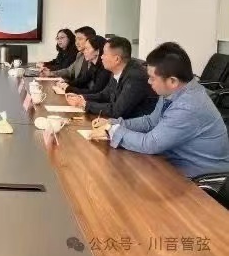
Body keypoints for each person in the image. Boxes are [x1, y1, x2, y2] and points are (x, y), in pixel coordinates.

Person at [90, 42, 229, 178]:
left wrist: (112, 130)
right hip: (172, 164)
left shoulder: (188, 106)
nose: (148, 82)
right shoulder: (172, 91)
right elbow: (151, 121)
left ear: (172, 81)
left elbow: (150, 144)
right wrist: (114, 123)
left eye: (152, 78)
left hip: (198, 179)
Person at [66, 36, 157, 118]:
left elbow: (117, 111)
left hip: (134, 125)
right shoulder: (117, 70)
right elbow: (104, 95)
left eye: (104, 54)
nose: (101, 57)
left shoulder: (135, 77)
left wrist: (85, 105)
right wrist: (81, 97)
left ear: (117, 59)